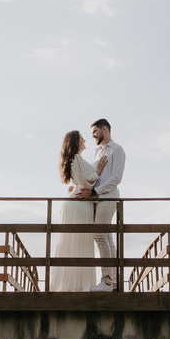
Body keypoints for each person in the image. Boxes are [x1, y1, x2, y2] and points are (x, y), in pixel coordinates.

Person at [76, 118, 125, 292]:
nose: (93, 136)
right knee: (107, 238)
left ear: (105, 129)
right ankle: (114, 281)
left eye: (95, 132)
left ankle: (105, 281)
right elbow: (93, 175)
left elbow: (116, 178)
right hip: (96, 199)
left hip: (108, 198)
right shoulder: (96, 152)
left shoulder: (117, 150)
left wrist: (96, 192)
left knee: (99, 235)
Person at [49, 129, 98, 291]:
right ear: (76, 142)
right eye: (82, 139)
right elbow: (87, 182)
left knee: (72, 242)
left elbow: (80, 180)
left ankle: (72, 283)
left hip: (75, 201)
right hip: (80, 202)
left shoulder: (73, 160)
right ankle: (79, 285)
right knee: (81, 241)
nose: (85, 141)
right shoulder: (77, 158)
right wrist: (99, 170)